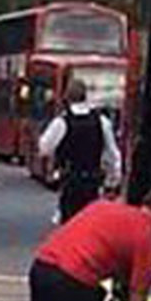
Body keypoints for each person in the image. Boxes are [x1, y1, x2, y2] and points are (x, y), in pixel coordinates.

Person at [37, 79, 122, 223]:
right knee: (90, 221)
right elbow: (112, 153)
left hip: (71, 180)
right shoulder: (101, 121)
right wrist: (113, 178)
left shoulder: (62, 121)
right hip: (93, 180)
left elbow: (44, 148)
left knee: (69, 223)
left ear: (67, 97)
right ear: (85, 96)